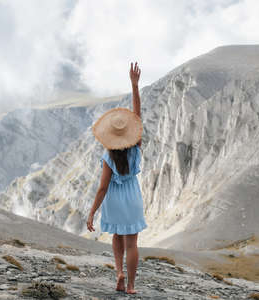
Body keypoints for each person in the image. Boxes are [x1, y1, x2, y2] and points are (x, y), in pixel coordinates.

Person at [87, 62, 147, 294]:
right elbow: (137, 114)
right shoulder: (136, 147)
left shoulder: (107, 156)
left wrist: (92, 212)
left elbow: (102, 188)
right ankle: (131, 286)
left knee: (116, 236)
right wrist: (135, 86)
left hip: (113, 199)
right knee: (132, 243)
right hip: (132, 196)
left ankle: (118, 272)